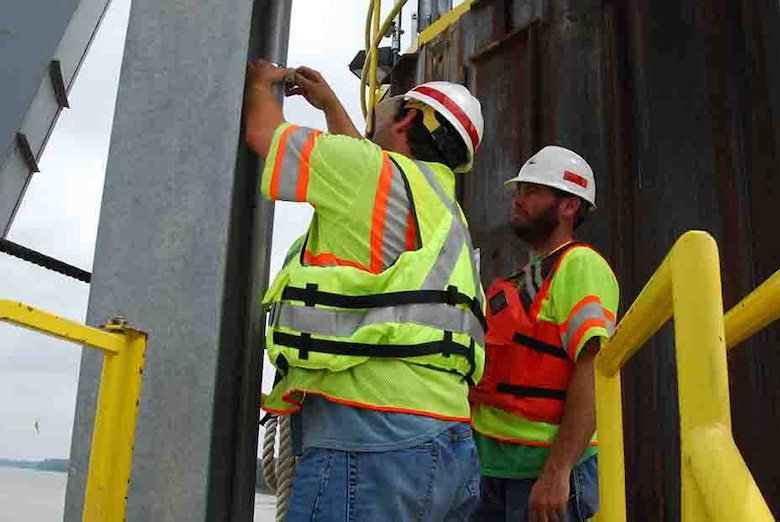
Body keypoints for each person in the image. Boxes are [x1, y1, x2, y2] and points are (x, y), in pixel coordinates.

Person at [245, 59, 487, 521]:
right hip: (449, 444)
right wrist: (331, 104)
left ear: (410, 118)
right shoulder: (442, 203)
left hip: (371, 438)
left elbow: (264, 134)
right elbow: (366, 162)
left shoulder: (369, 175)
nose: (377, 105)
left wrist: (259, 80)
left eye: (389, 100)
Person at [469, 146, 620, 521]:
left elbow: (594, 368)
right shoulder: (517, 282)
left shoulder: (580, 266)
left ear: (569, 206)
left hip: (542, 474)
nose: (518, 200)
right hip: (492, 472)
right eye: (518, 191)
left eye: (531, 191)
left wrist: (559, 469)